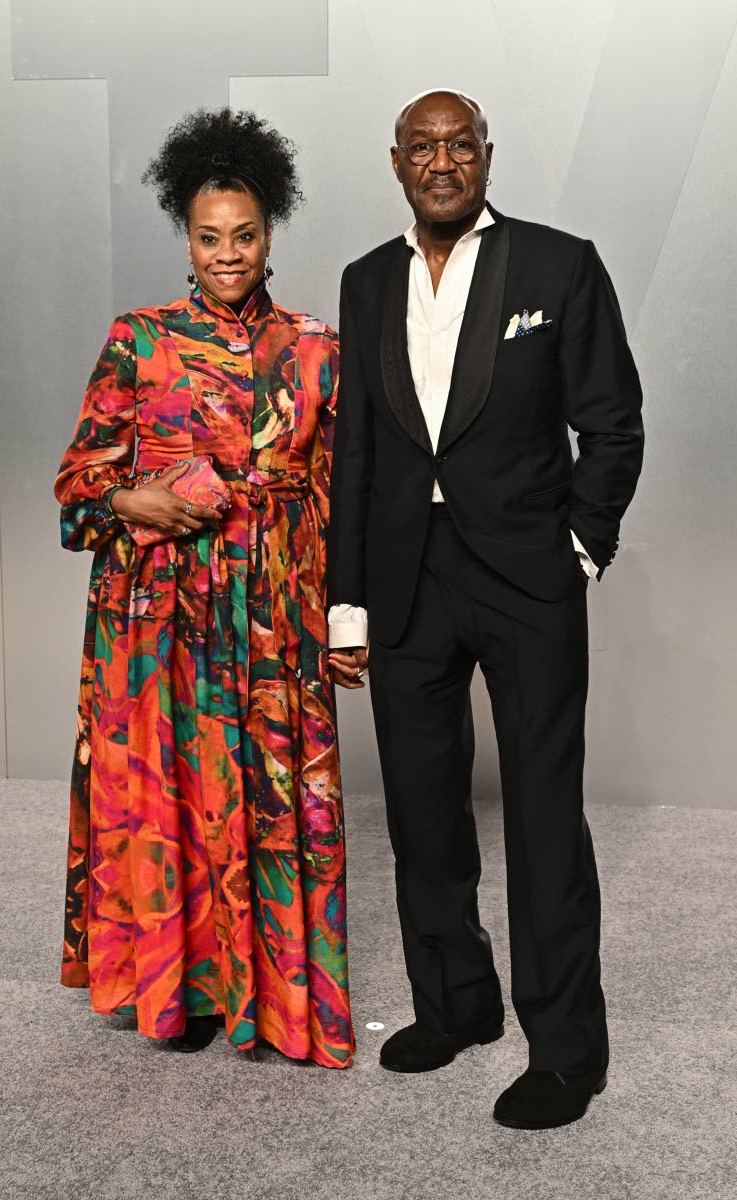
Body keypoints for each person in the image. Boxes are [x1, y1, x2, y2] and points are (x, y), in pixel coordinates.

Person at [327, 89, 643, 1125]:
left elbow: (612, 422)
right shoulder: (366, 282)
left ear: (484, 157)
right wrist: (347, 601)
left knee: (543, 815)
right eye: (422, 147)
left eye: (458, 144)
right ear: (395, 164)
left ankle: (563, 1050)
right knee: (421, 812)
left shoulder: (557, 265)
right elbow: (357, 455)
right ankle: (454, 1004)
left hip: (524, 578)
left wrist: (578, 549)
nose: (441, 160)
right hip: (406, 580)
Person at [55, 107, 354, 1069]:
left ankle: (272, 1002)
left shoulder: (318, 348)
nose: (228, 255)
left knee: (266, 798)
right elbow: (76, 489)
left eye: (247, 235)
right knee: (174, 797)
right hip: (161, 625)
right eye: (208, 236)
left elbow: (351, 497)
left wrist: (348, 616)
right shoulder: (138, 341)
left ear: (273, 232)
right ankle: (180, 990)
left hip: (273, 613)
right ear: (184, 235)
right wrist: (135, 497)